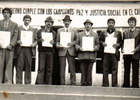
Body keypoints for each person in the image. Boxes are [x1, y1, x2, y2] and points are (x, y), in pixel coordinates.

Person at [75, 19, 99, 86]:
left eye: (89, 24)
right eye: (86, 24)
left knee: (89, 71)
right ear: (84, 26)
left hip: (91, 56)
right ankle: (83, 84)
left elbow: (98, 44)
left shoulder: (95, 34)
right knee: (83, 71)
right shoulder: (80, 34)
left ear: (91, 26)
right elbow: (76, 44)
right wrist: (79, 48)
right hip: (82, 56)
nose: (87, 26)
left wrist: (95, 48)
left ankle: (89, 84)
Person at [100, 18, 122, 87]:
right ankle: (105, 84)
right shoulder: (103, 32)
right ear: (107, 24)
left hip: (114, 53)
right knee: (105, 68)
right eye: (109, 23)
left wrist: (118, 45)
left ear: (114, 24)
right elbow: (100, 40)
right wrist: (102, 43)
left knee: (114, 69)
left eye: (112, 23)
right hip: (106, 52)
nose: (111, 24)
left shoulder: (118, 33)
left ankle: (114, 84)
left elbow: (121, 42)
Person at [16, 15, 37, 84]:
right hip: (21, 49)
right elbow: (15, 38)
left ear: (30, 21)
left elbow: (36, 40)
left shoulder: (33, 30)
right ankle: (19, 81)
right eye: (26, 20)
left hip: (29, 49)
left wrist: (34, 44)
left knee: (28, 65)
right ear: (23, 20)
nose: (27, 21)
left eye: (28, 20)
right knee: (19, 65)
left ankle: (27, 82)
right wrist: (17, 41)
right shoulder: (19, 29)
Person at [56, 15, 77, 85]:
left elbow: (77, 40)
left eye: (68, 21)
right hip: (62, 50)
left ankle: (73, 81)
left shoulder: (74, 30)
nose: (66, 23)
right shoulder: (59, 30)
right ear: (63, 22)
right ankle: (62, 81)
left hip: (71, 50)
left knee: (72, 67)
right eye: (65, 21)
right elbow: (57, 41)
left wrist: (72, 43)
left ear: (70, 22)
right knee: (62, 67)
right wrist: (58, 45)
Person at [36, 16, 56, 85]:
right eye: (47, 22)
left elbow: (56, 43)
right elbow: (36, 40)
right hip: (42, 51)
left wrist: (53, 42)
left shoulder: (54, 33)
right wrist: (39, 40)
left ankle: (48, 84)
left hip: (50, 52)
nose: (49, 24)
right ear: (45, 23)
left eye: (50, 22)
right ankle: (40, 84)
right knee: (41, 68)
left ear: (52, 24)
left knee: (49, 69)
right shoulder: (40, 31)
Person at [0, 8, 18, 84]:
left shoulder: (14, 24)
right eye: (4, 12)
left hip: (9, 48)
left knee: (9, 64)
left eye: (8, 13)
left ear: (10, 14)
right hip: (0, 47)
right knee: (0, 63)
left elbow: (15, 35)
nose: (6, 14)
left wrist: (11, 44)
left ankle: (8, 81)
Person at [122, 17, 140, 88]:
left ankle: (135, 85)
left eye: (132, 22)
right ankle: (126, 84)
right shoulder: (125, 33)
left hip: (135, 54)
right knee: (126, 69)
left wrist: (136, 49)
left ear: (135, 23)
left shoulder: (139, 32)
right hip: (127, 54)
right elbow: (123, 42)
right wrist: (123, 49)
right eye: (130, 22)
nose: (131, 23)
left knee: (135, 70)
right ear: (128, 23)